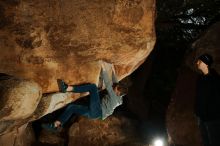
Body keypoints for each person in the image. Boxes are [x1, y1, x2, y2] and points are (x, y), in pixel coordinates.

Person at [42, 64, 128, 132]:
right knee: (71, 108)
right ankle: (56, 125)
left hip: (98, 111)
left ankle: (67, 88)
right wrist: (112, 70)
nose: (114, 88)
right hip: (95, 114)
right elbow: (116, 82)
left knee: (93, 88)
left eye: (115, 89)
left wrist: (103, 69)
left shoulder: (114, 97)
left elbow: (109, 84)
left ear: (118, 93)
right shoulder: (120, 98)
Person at [195, 53, 220, 146]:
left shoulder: (215, 79)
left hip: (213, 118)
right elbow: (199, 97)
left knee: (214, 142)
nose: (197, 63)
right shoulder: (200, 79)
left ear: (205, 63)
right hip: (201, 118)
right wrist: (197, 112)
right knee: (206, 142)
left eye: (199, 61)